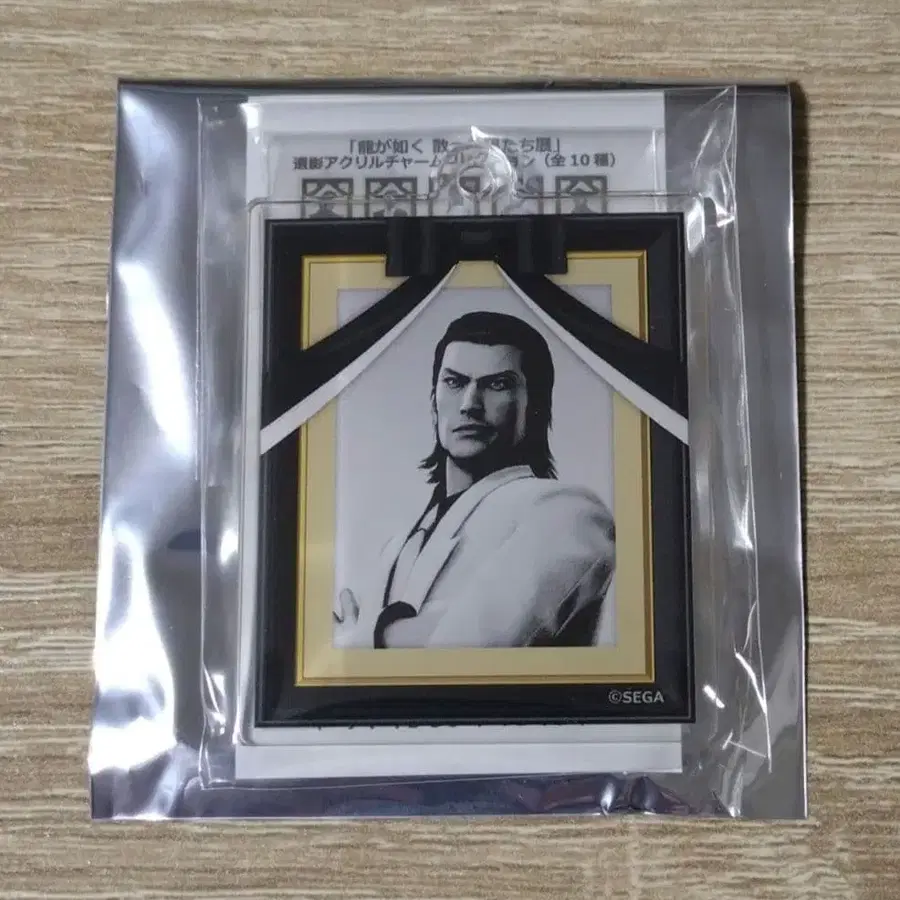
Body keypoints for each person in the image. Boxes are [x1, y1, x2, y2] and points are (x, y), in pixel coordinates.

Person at [334, 311, 615, 649]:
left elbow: (474, 644)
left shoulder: (568, 512)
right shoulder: (396, 546)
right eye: (454, 382)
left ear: (535, 405)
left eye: (497, 385)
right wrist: (419, 629)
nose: (470, 405)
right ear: (433, 401)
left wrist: (360, 638)